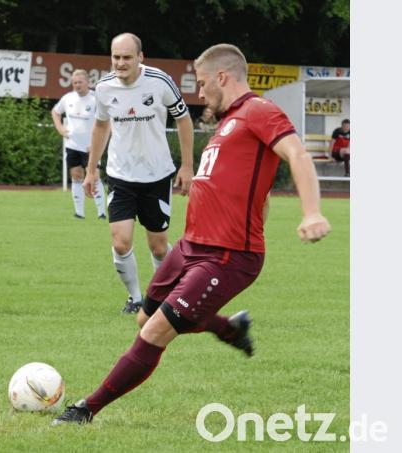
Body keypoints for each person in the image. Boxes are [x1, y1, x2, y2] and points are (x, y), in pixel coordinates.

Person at [53, 43, 331, 426]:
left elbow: (298, 154)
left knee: (154, 331)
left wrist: (311, 211)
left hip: (226, 254)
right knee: (144, 319)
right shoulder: (229, 122)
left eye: (202, 84)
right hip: (190, 246)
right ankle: (228, 327)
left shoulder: (259, 111)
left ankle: (86, 409)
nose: (199, 94)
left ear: (222, 77)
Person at [83, 33, 195, 314]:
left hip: (157, 175)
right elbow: (100, 126)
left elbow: (183, 119)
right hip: (120, 175)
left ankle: (168, 295)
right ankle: (135, 299)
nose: (120, 63)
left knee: (158, 248)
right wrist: (91, 169)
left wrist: (187, 165)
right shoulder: (104, 88)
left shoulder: (160, 81)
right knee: (120, 242)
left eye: (126, 57)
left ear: (140, 58)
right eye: (116, 57)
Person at [51, 69, 107, 219]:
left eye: (80, 82)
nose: (77, 85)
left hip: (91, 147)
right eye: (74, 82)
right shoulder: (67, 98)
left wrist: (98, 143)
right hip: (72, 145)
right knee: (76, 176)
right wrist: (60, 128)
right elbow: (55, 112)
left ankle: (101, 213)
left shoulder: (96, 99)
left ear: (87, 82)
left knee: (94, 177)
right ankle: (79, 213)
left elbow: (107, 121)